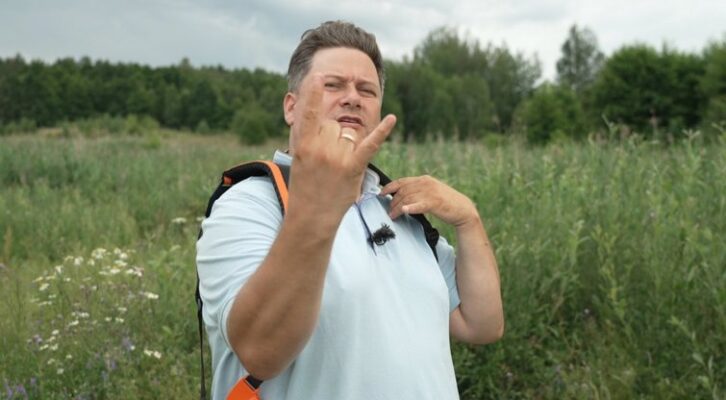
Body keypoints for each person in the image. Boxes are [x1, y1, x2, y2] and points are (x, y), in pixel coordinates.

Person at [196, 20, 504, 400]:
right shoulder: (250, 204)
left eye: (367, 90)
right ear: (291, 107)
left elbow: (481, 324)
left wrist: (469, 219)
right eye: (333, 85)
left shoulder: (399, 208)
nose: (353, 98)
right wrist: (318, 205)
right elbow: (260, 351)